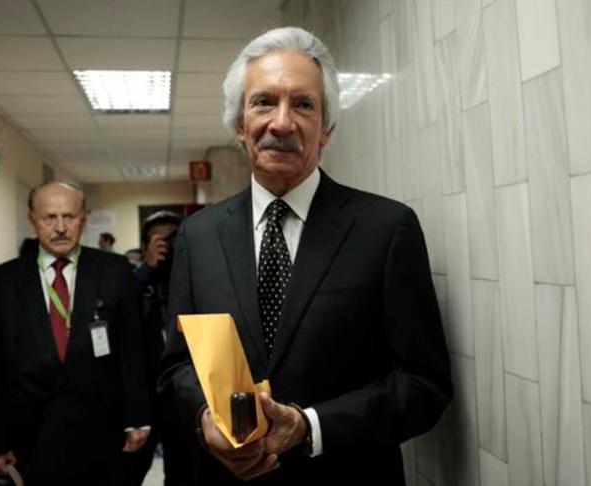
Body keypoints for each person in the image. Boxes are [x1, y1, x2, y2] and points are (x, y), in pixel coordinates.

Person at [158, 27, 452, 485]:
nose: (281, 122)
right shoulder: (198, 235)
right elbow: (176, 367)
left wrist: (310, 427)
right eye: (263, 102)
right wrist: (203, 420)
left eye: (303, 104)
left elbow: (423, 384)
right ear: (239, 123)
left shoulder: (386, 229)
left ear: (327, 128)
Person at [0, 181, 150, 485]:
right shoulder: (2, 281)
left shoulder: (113, 270)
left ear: (83, 218)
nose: (60, 227)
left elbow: (132, 349)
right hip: (32, 435)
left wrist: (138, 416)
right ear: (32, 219)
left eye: (69, 217)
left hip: (101, 430)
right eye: (49, 218)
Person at [123, 210, 181, 485]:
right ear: (146, 246)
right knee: (131, 470)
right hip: (144, 396)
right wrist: (146, 267)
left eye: (174, 239)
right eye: (161, 241)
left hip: (183, 396)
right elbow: (120, 311)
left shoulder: (193, 276)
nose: (169, 247)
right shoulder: (137, 281)